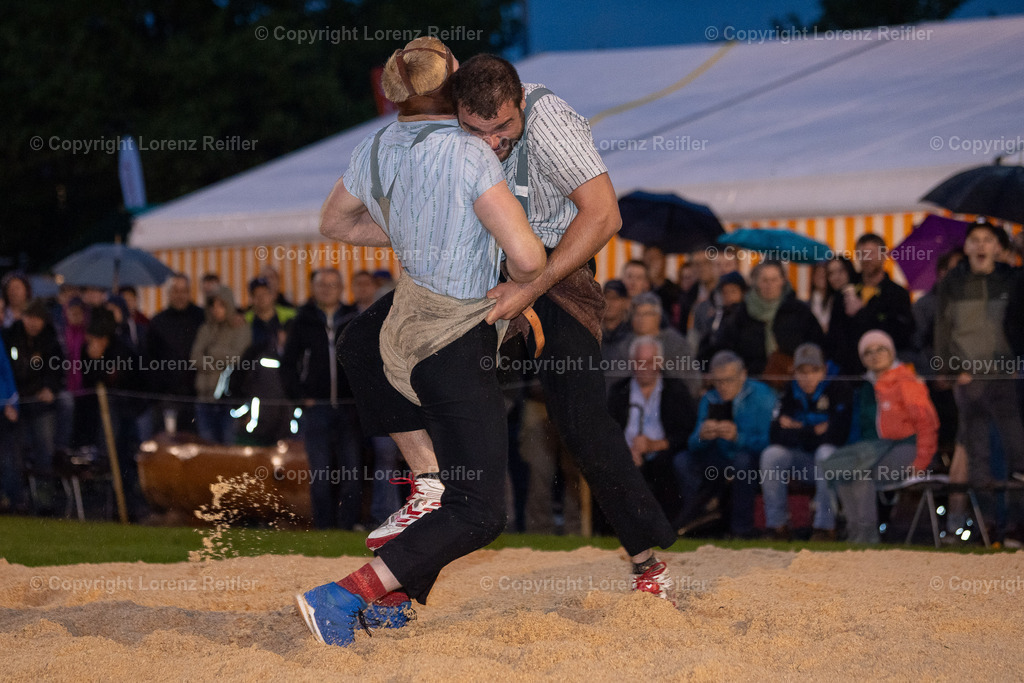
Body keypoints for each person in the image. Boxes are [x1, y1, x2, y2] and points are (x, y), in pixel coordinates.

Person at [340, 51, 678, 600]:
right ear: (457, 113)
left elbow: (604, 215)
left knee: (580, 418)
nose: (493, 141)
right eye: (478, 131)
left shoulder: (549, 117)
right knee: (364, 342)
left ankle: (646, 561)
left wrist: (529, 288)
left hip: (555, 271)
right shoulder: (446, 129)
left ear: (520, 102)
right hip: (481, 267)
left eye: (503, 126)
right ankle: (427, 489)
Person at [298, 38, 546, 646]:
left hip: (399, 332)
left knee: (447, 489)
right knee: (481, 510)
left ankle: (399, 586)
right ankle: (346, 595)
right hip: (453, 336)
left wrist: (412, 238)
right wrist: (518, 282)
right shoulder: (470, 153)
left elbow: (333, 223)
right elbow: (526, 256)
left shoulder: (377, 145)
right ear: (454, 83)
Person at [821, 330, 939, 544]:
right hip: (874, 450)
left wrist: (922, 460)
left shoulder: (906, 381)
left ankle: (867, 536)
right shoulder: (865, 386)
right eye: (868, 352)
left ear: (891, 351)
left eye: (881, 349)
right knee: (843, 470)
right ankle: (855, 533)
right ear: (862, 358)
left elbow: (927, 423)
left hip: (907, 447)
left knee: (860, 473)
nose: (875, 355)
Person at [935, 223, 1024, 504]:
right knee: (978, 455)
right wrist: (951, 370)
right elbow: (942, 329)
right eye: (975, 240)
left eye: (988, 240)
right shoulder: (952, 282)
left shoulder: (1013, 279)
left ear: (999, 247)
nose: (982, 245)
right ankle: (985, 526)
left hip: (1005, 377)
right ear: (967, 247)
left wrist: (1017, 366)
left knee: (1017, 452)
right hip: (969, 379)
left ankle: (1015, 524)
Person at [280, 268, 361, 529]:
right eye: (322, 284)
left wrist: (361, 398)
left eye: (332, 284)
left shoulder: (354, 318)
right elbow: (288, 365)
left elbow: (367, 363)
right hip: (317, 410)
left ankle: (349, 526)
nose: (327, 289)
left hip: (350, 409)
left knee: (351, 470)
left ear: (341, 288)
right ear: (313, 288)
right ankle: (323, 527)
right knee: (321, 472)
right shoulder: (302, 321)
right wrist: (300, 397)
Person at [676, 350, 776, 537]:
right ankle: (700, 520)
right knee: (682, 461)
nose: (722, 386)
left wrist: (739, 437)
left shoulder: (763, 397)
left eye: (728, 380)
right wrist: (702, 436)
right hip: (719, 456)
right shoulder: (710, 398)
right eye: (718, 381)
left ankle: (741, 529)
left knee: (742, 461)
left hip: (751, 458)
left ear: (743, 375)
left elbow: (770, 441)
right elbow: (692, 444)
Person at [760, 343, 853, 541]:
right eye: (802, 372)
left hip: (837, 465)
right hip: (803, 461)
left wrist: (797, 429)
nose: (808, 378)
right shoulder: (788, 391)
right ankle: (778, 526)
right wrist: (814, 431)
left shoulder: (839, 387)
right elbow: (775, 434)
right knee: (771, 454)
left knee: (825, 453)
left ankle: (825, 528)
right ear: (795, 372)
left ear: (824, 370)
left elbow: (838, 435)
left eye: (814, 371)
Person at [608, 335, 698, 522]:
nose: (645, 367)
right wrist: (624, 451)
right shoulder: (618, 392)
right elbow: (607, 430)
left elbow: (688, 431)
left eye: (651, 362)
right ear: (632, 363)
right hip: (626, 454)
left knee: (667, 467)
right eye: (640, 362)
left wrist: (656, 445)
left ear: (660, 362)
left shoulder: (676, 390)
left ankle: (668, 528)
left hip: (663, 454)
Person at [2, 298, 65, 512]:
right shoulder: (10, 335)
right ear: (23, 317)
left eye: (38, 318)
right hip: (16, 406)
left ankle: (43, 499)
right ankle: (18, 500)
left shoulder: (51, 340)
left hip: (41, 406)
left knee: (45, 451)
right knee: (14, 454)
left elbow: (57, 371)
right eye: (30, 317)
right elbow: (7, 370)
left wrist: (50, 388)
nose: (33, 323)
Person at [716, 261, 824, 380]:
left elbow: (817, 344)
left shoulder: (798, 311)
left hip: (793, 381)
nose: (769, 285)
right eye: (764, 280)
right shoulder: (740, 313)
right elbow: (726, 348)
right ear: (756, 282)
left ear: (783, 281)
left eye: (774, 280)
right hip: (751, 381)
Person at [190, 285, 251, 444]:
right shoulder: (205, 329)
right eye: (213, 305)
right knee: (207, 446)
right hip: (204, 397)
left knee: (228, 445)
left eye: (221, 305)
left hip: (228, 399)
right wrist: (217, 364)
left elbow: (238, 358)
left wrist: (214, 352)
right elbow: (195, 358)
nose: (216, 310)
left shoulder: (240, 328)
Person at [145, 274, 206, 432]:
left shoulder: (202, 317)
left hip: (197, 394)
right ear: (169, 293)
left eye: (184, 291)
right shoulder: (158, 322)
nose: (180, 295)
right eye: (176, 291)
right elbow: (150, 358)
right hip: (167, 396)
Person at [848, 233, 915, 363]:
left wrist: (863, 313)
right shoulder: (847, 291)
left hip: (887, 367)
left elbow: (902, 335)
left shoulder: (897, 294)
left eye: (871, 253)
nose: (866, 258)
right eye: (861, 254)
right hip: (853, 371)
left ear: (883, 255)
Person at [643, 245, 682, 326]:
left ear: (664, 261)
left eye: (655, 258)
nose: (651, 262)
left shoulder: (673, 289)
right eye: (649, 258)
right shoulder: (640, 288)